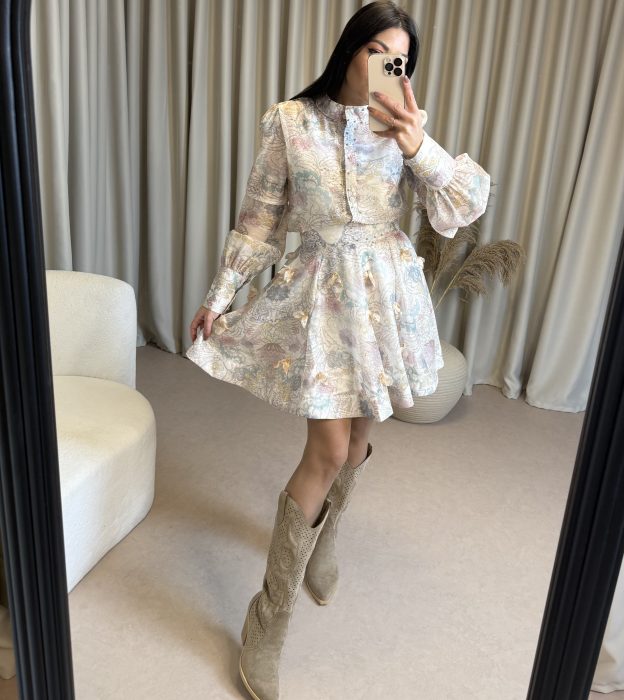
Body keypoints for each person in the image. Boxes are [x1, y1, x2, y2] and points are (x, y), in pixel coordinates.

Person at [185, 1, 490, 697]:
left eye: (399, 58)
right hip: (322, 297)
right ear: (350, 49)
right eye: (376, 51)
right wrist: (222, 292)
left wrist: (419, 146)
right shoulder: (290, 122)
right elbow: (260, 219)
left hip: (386, 301)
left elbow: (463, 205)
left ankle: (327, 539)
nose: (387, 65)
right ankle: (268, 619)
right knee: (325, 450)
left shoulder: (405, 129)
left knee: (357, 441)